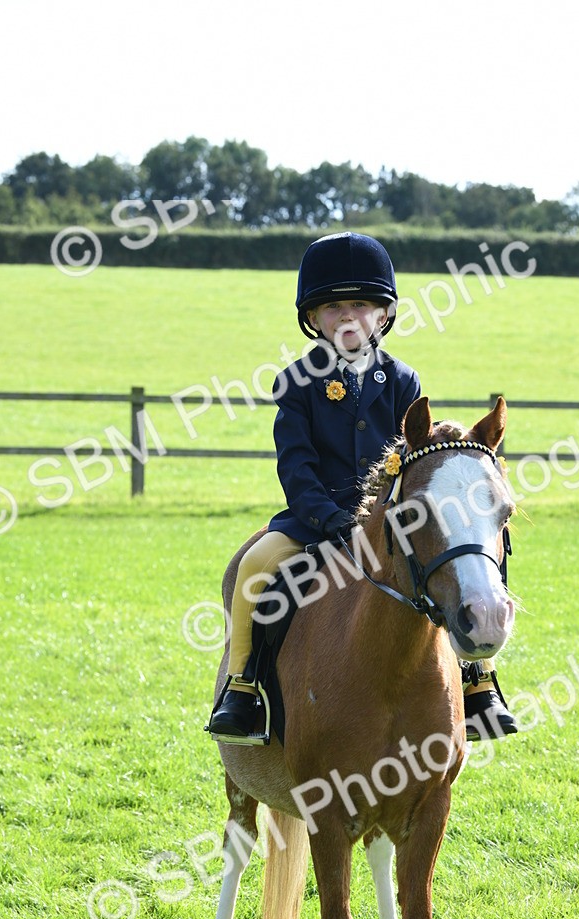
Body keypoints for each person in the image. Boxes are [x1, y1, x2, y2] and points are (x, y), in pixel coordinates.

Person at [206, 232, 517, 744]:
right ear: (313, 317)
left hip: (395, 522)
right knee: (254, 568)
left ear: (384, 314)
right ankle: (243, 687)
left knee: (468, 556)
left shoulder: (403, 382)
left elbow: (416, 462)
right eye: (334, 307)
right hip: (313, 523)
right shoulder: (297, 383)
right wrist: (333, 523)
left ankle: (479, 684)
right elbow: (297, 470)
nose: (348, 317)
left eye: (361, 305)